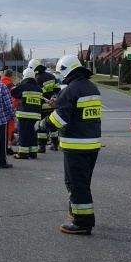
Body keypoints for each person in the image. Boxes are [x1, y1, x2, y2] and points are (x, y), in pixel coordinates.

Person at [39, 55, 101, 235]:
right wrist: (59, 102)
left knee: (76, 184)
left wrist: (41, 125)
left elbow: (59, 119)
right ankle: (78, 213)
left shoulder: (71, 89)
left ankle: (83, 222)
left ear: (66, 70)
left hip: (76, 144)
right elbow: (79, 112)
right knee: (82, 182)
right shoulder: (91, 87)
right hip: (92, 143)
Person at [29, 58, 61, 152]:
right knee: (53, 125)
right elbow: (58, 89)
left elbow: (39, 93)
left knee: (41, 126)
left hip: (42, 106)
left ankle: (42, 147)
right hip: (52, 106)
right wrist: (54, 98)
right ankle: (55, 145)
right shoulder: (51, 76)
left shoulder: (37, 78)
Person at [10, 68, 42, 159]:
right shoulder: (38, 89)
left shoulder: (23, 86)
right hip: (35, 116)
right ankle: (33, 152)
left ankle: (23, 153)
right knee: (32, 134)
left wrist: (16, 86)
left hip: (24, 115)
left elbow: (14, 93)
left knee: (23, 134)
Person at [0, 68, 18, 155]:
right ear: (11, 76)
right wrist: (14, 108)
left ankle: (0, 147)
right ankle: (8, 148)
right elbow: (14, 98)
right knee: (9, 129)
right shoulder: (10, 85)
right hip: (8, 109)